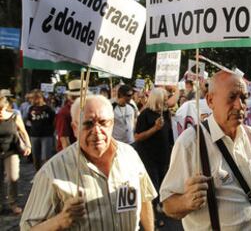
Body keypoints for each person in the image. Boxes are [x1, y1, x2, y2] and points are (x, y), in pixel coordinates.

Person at [20, 95, 157, 230]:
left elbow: (145, 198)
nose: (97, 131)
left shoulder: (129, 155)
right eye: (88, 124)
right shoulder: (52, 172)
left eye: (103, 123)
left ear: (112, 124)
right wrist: (59, 221)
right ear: (74, 128)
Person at [160, 71, 251, 230]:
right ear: (210, 100)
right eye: (232, 97)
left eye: (244, 98)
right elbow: (168, 205)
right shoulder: (191, 143)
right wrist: (186, 201)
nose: (240, 105)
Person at [134, 87, 174, 228]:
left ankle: (160, 210)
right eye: (164, 99)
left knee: (163, 186)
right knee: (153, 187)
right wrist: (154, 129)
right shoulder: (145, 115)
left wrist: (172, 150)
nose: (166, 101)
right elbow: (138, 136)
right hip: (148, 157)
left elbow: (169, 135)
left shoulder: (166, 113)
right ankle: (154, 218)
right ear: (157, 99)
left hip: (163, 156)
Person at [0, 96, 31, 215]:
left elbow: (23, 131)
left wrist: (28, 145)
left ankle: (13, 203)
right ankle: (1, 204)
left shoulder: (14, 116)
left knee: (13, 178)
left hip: (11, 151)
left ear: (6, 107)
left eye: (1, 110)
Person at [28, 89, 56, 171]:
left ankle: (46, 176)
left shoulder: (48, 109)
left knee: (46, 158)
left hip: (46, 135)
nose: (33, 100)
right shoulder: (31, 109)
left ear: (40, 98)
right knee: (36, 158)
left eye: (34, 98)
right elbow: (30, 120)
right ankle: (37, 175)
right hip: (34, 135)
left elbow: (53, 120)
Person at [55, 80, 82, 152]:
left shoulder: (83, 109)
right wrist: (71, 158)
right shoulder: (64, 113)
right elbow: (64, 139)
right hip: (72, 154)